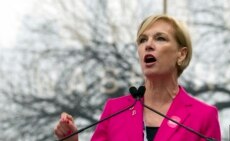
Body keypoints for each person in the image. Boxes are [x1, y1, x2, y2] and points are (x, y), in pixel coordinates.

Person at [54, 14, 221, 141]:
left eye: (160, 38)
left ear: (181, 54)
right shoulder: (115, 110)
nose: (148, 45)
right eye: (142, 40)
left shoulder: (204, 116)